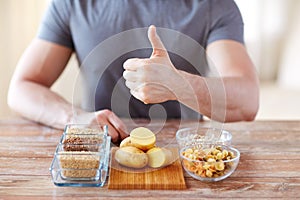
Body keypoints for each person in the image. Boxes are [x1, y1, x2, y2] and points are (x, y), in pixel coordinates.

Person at [7, 0, 259, 143]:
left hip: (185, 156)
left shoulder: (214, 6)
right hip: (100, 150)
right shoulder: (71, 4)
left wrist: (177, 83)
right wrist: (76, 120)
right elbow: (22, 88)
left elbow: (247, 100)